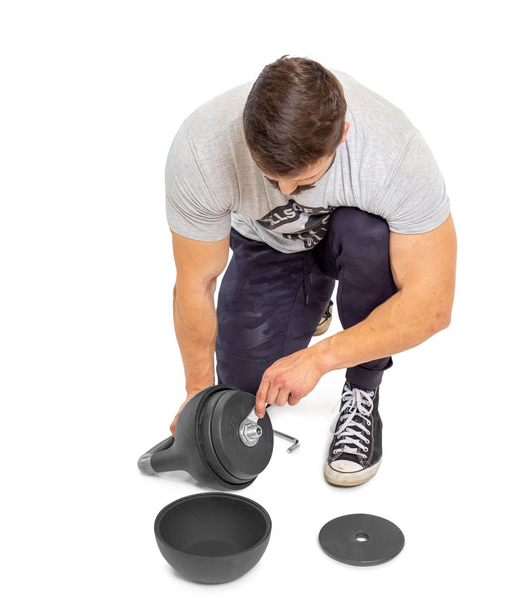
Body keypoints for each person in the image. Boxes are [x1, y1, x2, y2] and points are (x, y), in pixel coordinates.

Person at [165, 56, 457, 487]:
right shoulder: (201, 146)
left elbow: (432, 306)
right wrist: (197, 395)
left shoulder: (394, 152)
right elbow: (196, 282)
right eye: (271, 177)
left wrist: (320, 360)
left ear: (342, 135)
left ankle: (362, 389)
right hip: (270, 245)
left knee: (369, 235)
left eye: (301, 181)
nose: (284, 192)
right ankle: (312, 302)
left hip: (354, 241)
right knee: (246, 390)